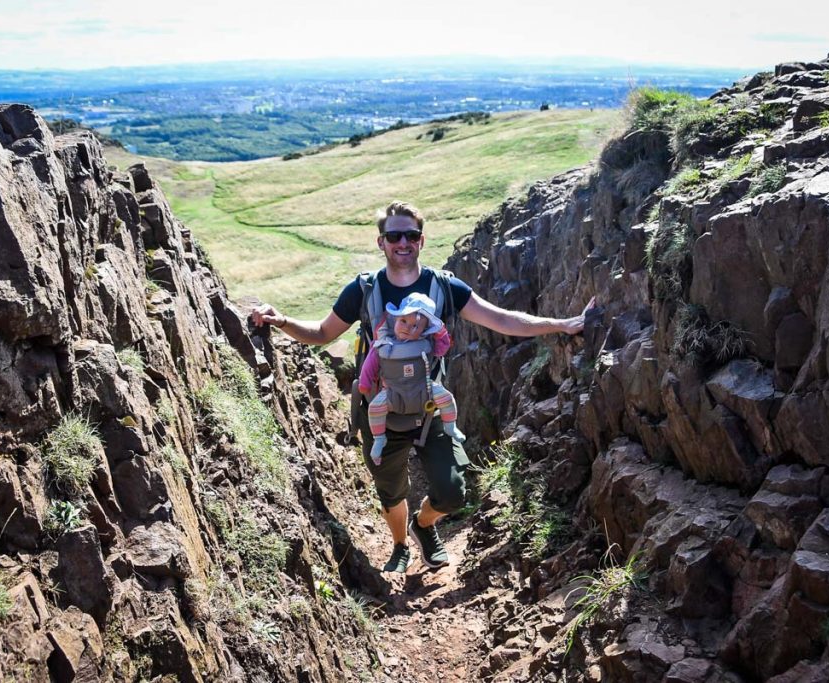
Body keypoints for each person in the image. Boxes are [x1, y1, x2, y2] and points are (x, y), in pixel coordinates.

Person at [251, 201, 595, 573]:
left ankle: (424, 523)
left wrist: (560, 324)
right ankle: (400, 545)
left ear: (421, 240)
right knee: (390, 491)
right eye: (394, 235)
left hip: (431, 409)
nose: (403, 242)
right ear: (380, 242)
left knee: (452, 493)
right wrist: (281, 320)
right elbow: (322, 333)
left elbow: (501, 319)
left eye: (410, 235)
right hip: (380, 411)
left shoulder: (445, 288)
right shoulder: (364, 290)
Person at [360, 292, 464, 465]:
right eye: (403, 321)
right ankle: (379, 438)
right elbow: (369, 365)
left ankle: (450, 425)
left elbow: (443, 348)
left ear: (424, 331)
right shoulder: (382, 345)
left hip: (424, 389)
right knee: (375, 409)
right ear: (395, 320)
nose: (407, 328)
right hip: (393, 391)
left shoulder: (426, 345)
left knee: (446, 398)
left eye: (416, 326)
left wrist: (439, 332)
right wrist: (364, 383)